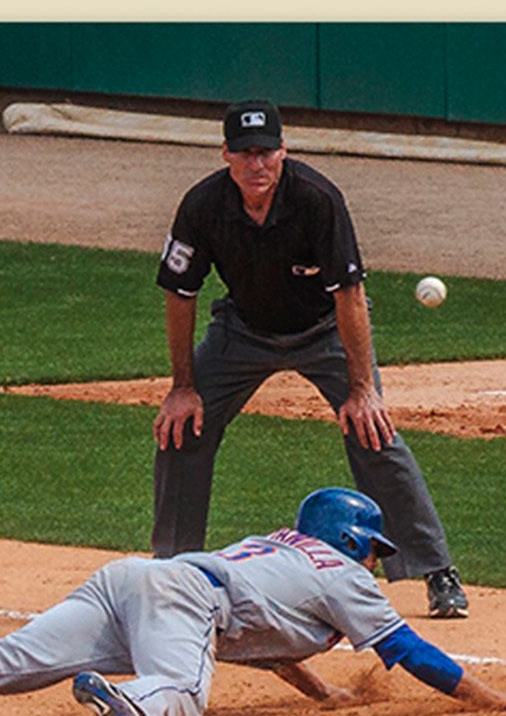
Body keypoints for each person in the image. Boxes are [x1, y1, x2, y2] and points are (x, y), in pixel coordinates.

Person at [0, 488, 506, 716]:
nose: (378, 562)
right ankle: (129, 700)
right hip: (186, 602)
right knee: (183, 695)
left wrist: (327, 694)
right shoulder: (343, 575)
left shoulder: (282, 553)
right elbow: (410, 650)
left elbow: (268, 643)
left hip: (136, 579)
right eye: (374, 548)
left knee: (14, 659)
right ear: (353, 540)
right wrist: (490, 697)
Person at [151, 98, 469, 619]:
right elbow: (179, 293)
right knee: (182, 427)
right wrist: (183, 386)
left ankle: (438, 571)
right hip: (242, 331)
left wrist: (363, 389)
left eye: (267, 152)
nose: (257, 164)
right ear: (226, 153)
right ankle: (171, 569)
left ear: (284, 150)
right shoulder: (203, 204)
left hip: (325, 330)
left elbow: (349, 294)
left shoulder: (318, 199)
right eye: (246, 153)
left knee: (374, 431)